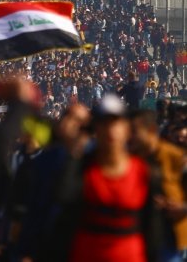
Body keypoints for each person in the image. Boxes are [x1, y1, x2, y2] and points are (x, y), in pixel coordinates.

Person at [52, 94, 159, 262]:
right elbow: (64, 199)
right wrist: (75, 149)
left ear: (126, 128)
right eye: (103, 123)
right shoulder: (84, 169)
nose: (110, 129)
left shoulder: (143, 171)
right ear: (95, 129)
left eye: (115, 122)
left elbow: (152, 229)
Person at [130, 109, 187, 261]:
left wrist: (182, 208)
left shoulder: (175, 157)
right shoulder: (129, 159)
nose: (131, 137)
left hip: (170, 242)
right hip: (138, 239)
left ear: (151, 131)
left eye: (135, 131)